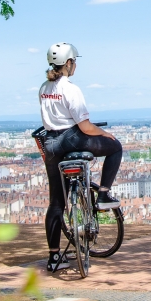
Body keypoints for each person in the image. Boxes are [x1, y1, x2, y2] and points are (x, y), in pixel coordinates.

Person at [38, 42, 123, 272]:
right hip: (72, 139)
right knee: (115, 147)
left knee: (56, 202)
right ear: (68, 63)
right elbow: (85, 127)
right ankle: (103, 194)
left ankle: (54, 257)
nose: (75, 65)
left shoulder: (44, 88)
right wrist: (104, 134)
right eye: (74, 61)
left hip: (51, 144)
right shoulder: (70, 89)